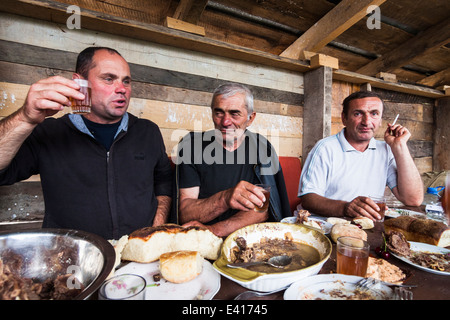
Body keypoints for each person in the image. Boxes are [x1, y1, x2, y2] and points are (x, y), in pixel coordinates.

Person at [0, 47, 172, 239]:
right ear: (80, 83)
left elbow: (163, 181)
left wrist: (157, 226)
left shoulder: (147, 131)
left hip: (135, 259)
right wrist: (24, 118)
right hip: (70, 259)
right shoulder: (50, 132)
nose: (121, 89)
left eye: (126, 81)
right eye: (109, 78)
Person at [175, 83, 290, 237]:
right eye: (219, 112)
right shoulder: (191, 146)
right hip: (201, 242)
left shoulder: (263, 148)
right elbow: (185, 213)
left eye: (234, 113)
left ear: (250, 118)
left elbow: (261, 210)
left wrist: (214, 230)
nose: (225, 122)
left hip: (250, 240)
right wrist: (225, 198)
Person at [298, 91, 423, 221]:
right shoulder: (325, 148)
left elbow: (413, 199)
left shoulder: (386, 150)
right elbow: (308, 198)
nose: (366, 121)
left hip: (365, 227)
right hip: (324, 226)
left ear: (381, 121)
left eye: (374, 114)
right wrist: (346, 208)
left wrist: (400, 146)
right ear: (344, 118)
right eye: (358, 114)